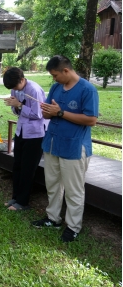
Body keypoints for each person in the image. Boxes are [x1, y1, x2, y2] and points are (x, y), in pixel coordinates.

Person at [31, 55, 98, 243]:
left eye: (55, 75)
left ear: (66, 71)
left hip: (74, 146)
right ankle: (53, 218)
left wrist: (60, 112)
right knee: (52, 184)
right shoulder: (56, 87)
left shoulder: (87, 89)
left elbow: (91, 120)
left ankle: (73, 227)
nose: (54, 79)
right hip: (52, 143)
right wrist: (47, 111)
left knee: (74, 190)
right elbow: (48, 112)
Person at [2, 67, 48, 211]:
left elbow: (39, 114)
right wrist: (14, 106)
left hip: (35, 134)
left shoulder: (34, 90)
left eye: (16, 86)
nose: (14, 90)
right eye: (12, 88)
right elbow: (16, 111)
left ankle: (23, 202)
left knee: (28, 168)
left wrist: (20, 105)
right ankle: (15, 197)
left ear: (22, 80)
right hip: (21, 131)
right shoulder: (15, 89)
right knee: (17, 165)